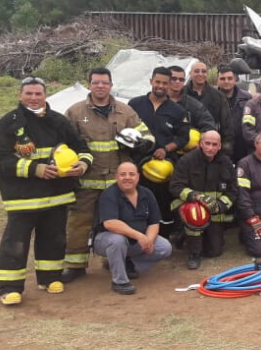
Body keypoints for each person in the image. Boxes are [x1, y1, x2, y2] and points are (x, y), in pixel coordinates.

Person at [0, 77, 91, 305]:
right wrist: (36, 168)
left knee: (53, 239)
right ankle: (9, 288)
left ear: (45, 96)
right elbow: (1, 159)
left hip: (57, 195)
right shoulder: (9, 123)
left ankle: (50, 277)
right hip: (22, 198)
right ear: (20, 95)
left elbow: (82, 147)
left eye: (38, 94)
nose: (34, 98)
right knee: (16, 243)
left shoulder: (58, 121)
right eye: (29, 94)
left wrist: (82, 164)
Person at [62, 67, 152, 283]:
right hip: (87, 180)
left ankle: (116, 261)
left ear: (111, 85)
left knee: (121, 222)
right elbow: (63, 143)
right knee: (79, 222)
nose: (100, 86)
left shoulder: (125, 111)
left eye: (104, 82)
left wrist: (141, 143)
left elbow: (147, 135)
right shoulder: (75, 112)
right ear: (89, 85)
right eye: (95, 82)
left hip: (117, 181)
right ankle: (75, 265)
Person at [93, 162, 173, 295]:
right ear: (116, 177)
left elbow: (154, 223)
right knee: (117, 240)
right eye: (123, 174)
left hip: (135, 241)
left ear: (138, 177)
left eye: (131, 174)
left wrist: (149, 240)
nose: (127, 177)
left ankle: (129, 264)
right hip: (106, 240)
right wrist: (140, 236)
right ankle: (119, 281)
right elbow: (110, 224)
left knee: (164, 247)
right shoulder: (109, 194)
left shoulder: (147, 194)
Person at [129, 67, 190, 237]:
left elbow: (183, 137)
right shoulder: (135, 104)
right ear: (151, 81)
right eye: (158, 82)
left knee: (163, 203)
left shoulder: (177, 110)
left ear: (170, 84)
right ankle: (138, 236)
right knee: (138, 202)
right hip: (139, 164)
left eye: (165, 83)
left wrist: (166, 149)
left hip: (165, 167)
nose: (161, 86)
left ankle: (163, 238)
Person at [169, 130, 237, 269]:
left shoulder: (225, 162)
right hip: (192, 207)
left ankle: (184, 236)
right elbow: (175, 186)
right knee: (195, 215)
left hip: (214, 211)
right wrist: (196, 196)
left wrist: (220, 205)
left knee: (214, 251)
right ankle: (194, 253)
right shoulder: (187, 160)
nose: (210, 148)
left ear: (219, 146)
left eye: (214, 144)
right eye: (207, 143)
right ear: (200, 143)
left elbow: (233, 190)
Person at [185, 62, 233, 155]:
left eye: (203, 71)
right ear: (190, 74)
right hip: (186, 150)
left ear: (207, 74)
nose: (200, 74)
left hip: (212, 150)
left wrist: (226, 150)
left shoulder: (218, 96)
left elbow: (227, 126)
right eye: (196, 71)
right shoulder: (182, 94)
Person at [216, 65, 253, 162]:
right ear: (217, 81)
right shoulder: (212, 98)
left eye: (229, 78)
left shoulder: (247, 98)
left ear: (235, 79)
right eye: (222, 79)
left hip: (243, 147)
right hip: (220, 146)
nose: (226, 81)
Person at [167, 66, 216, 139]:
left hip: (186, 148)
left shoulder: (194, 105)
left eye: (181, 79)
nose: (177, 81)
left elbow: (209, 126)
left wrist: (200, 138)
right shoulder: (155, 101)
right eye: (173, 79)